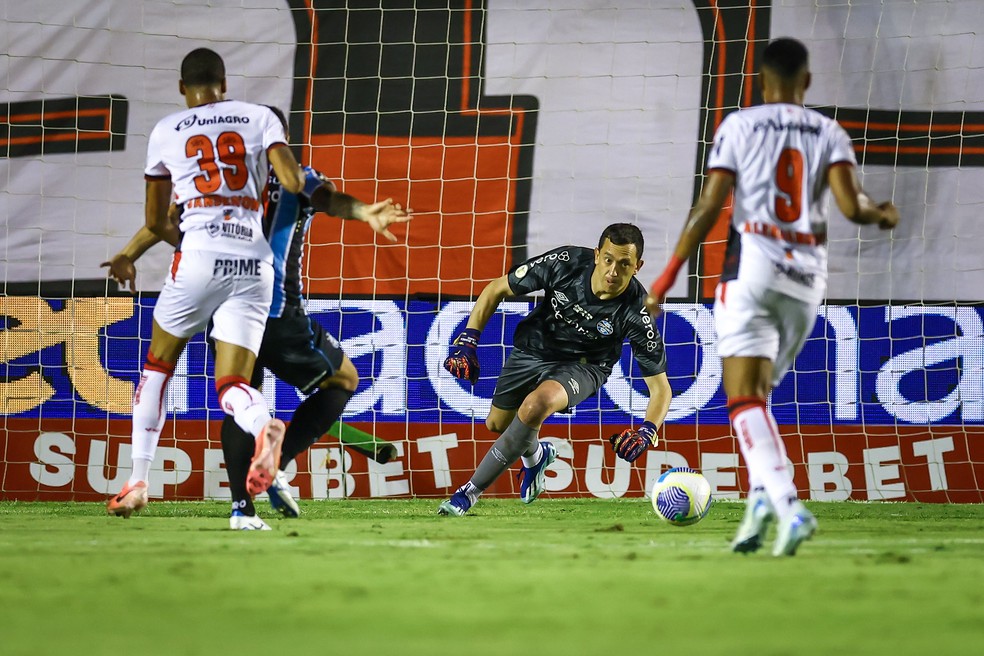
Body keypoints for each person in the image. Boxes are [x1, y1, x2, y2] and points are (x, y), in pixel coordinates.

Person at [646, 37, 900, 556]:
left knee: (742, 401)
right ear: (806, 82)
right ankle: (759, 503)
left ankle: (787, 503)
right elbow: (854, 208)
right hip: (807, 281)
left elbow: (709, 206)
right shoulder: (828, 131)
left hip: (752, 272)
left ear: (762, 82)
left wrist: (666, 278)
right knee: (759, 401)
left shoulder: (739, 125)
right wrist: (883, 214)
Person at [104, 107, 410, 529]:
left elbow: (168, 220)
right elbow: (328, 198)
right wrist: (363, 212)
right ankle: (275, 465)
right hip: (277, 311)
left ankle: (240, 509)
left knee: (237, 396)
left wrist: (128, 254)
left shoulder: (223, 183)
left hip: (222, 300)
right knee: (343, 380)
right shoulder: (296, 178)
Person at [105, 48, 306, 524]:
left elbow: (156, 220)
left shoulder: (166, 131)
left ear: (182, 87)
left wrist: (181, 242)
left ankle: (137, 481)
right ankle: (264, 427)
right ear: (224, 82)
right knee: (233, 383)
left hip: (197, 257)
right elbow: (294, 182)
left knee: (157, 366)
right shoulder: (259, 118)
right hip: (255, 265)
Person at [438, 223, 673, 516]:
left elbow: (661, 388)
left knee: (537, 404)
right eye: (609, 260)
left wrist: (648, 430)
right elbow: (496, 288)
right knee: (497, 425)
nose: (614, 271)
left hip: (585, 367)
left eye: (624, 264)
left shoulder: (637, 312)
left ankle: (467, 494)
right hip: (533, 348)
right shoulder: (566, 263)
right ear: (597, 254)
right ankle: (537, 456)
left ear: (637, 267)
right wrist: (468, 340)